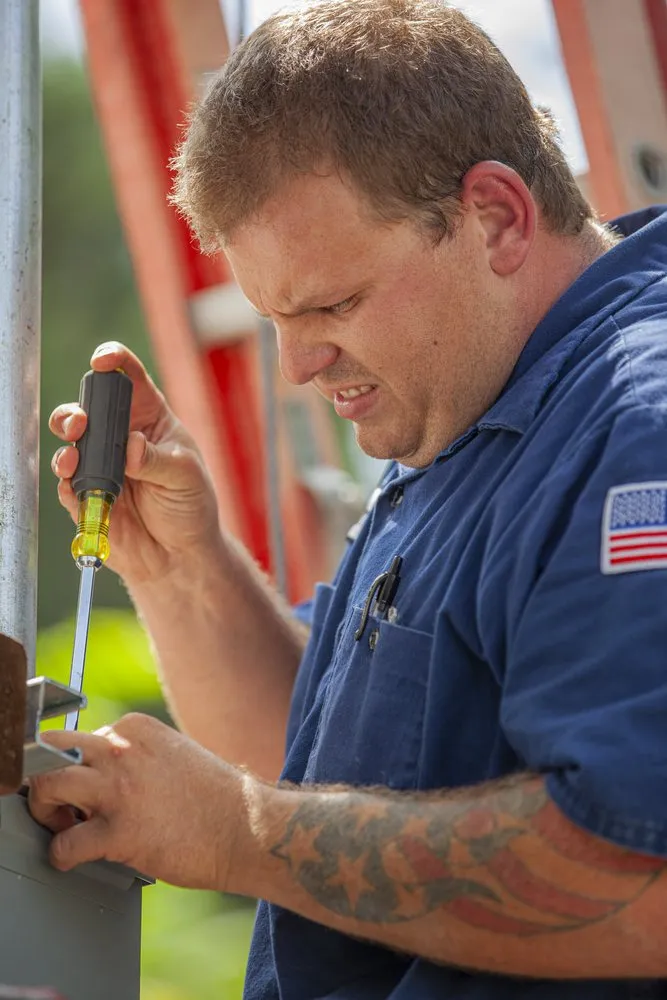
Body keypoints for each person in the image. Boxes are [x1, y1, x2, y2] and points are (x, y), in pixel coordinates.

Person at [29, 0, 667, 996]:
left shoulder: (636, 423)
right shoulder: (465, 395)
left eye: (333, 304)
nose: (297, 365)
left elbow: (640, 881)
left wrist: (240, 833)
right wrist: (179, 569)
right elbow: (331, 774)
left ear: (496, 217)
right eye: (273, 317)